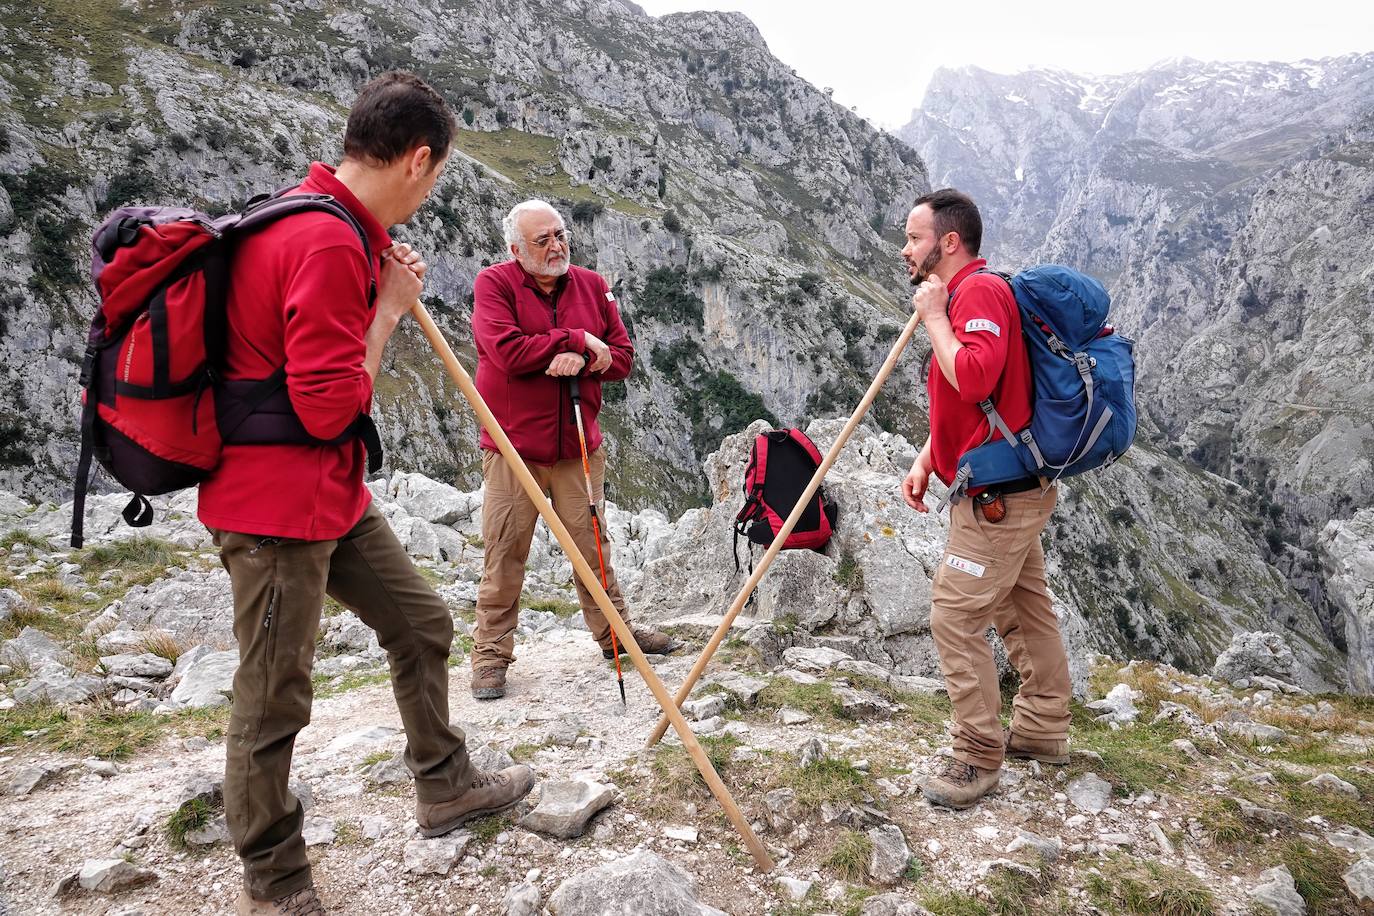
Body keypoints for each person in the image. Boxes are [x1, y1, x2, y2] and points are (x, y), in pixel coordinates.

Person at [198, 72, 535, 916]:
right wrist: (388, 311)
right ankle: (275, 887)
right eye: (440, 173)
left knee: (420, 623)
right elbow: (328, 409)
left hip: (328, 496)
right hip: (277, 508)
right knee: (273, 697)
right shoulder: (325, 241)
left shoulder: (330, 219)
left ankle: (445, 784)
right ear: (419, 160)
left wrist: (382, 274)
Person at [898, 188, 1072, 810]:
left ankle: (977, 756)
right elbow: (970, 400)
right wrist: (928, 457)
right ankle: (1043, 730)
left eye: (914, 238)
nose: (906, 249)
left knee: (956, 615)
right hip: (1003, 482)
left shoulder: (976, 294)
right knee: (1022, 608)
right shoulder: (968, 294)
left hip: (997, 497)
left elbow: (972, 372)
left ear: (948, 241)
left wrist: (936, 318)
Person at [468, 199, 681, 700]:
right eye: (542, 240)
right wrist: (578, 339)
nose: (556, 245)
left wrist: (581, 358)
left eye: (560, 234)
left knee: (593, 548)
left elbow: (622, 357)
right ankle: (491, 656)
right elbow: (505, 350)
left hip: (578, 445)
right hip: (513, 448)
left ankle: (616, 637)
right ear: (515, 249)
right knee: (505, 551)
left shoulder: (591, 284)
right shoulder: (493, 285)